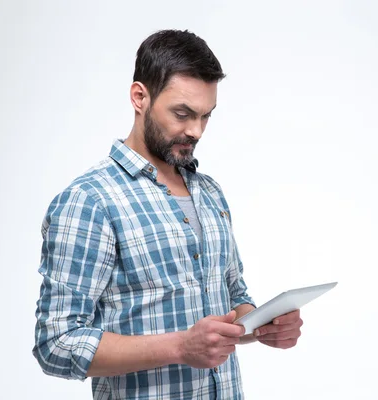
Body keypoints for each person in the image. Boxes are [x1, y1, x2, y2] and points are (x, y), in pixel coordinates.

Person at [33, 29, 303, 400]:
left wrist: (261, 326)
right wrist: (180, 347)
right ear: (139, 97)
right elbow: (56, 343)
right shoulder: (89, 201)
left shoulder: (209, 192)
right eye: (182, 113)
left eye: (206, 116)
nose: (195, 131)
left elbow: (233, 294)